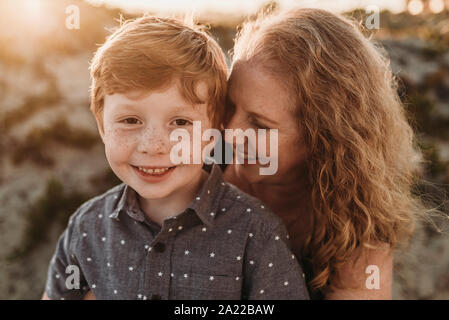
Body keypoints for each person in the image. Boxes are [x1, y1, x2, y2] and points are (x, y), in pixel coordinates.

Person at [41, 15, 309, 300]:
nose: (153, 146)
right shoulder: (86, 228)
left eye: (180, 123)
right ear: (102, 125)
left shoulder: (257, 232)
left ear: (214, 131)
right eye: (130, 120)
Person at [222, 8, 426, 299]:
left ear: (323, 136)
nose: (229, 132)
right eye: (230, 105)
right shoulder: (198, 168)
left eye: (259, 125)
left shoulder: (358, 219)